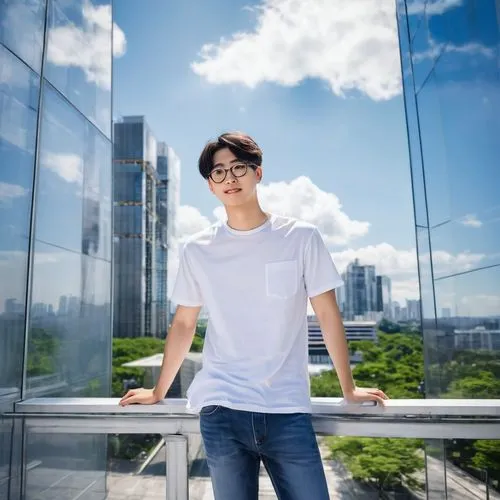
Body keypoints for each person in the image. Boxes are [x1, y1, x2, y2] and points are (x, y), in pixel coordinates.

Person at [120, 132, 389, 499]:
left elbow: (327, 314)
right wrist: (158, 391)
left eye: (238, 168)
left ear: (257, 173)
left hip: (287, 409)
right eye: (218, 172)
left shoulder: (301, 237)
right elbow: (184, 323)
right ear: (210, 186)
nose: (229, 178)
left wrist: (349, 388)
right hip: (221, 409)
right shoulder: (198, 249)